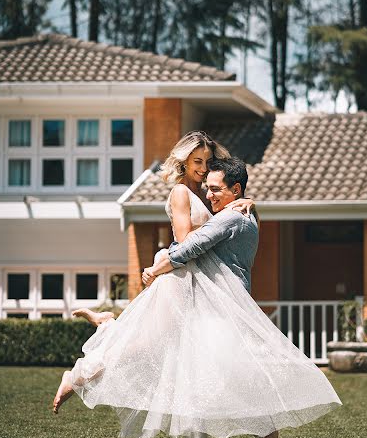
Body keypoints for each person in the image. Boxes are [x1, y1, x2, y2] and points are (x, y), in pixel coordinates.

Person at [53, 150, 342, 438]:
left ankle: (92, 357)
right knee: (193, 379)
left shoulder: (232, 218)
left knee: (211, 376)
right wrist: (242, 201)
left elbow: (189, 247)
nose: (209, 192)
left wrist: (155, 267)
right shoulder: (235, 212)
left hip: (216, 305)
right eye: (206, 183)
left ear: (235, 189)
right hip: (208, 302)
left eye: (217, 188)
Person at [70, 130, 254, 328]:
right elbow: (185, 240)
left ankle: (107, 321)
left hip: (201, 274)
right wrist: (216, 229)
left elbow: (224, 226)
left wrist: (248, 201)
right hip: (182, 272)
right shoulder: (181, 192)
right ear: (185, 162)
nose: (204, 168)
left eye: (208, 162)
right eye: (197, 161)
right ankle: (106, 324)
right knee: (156, 336)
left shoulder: (207, 194)